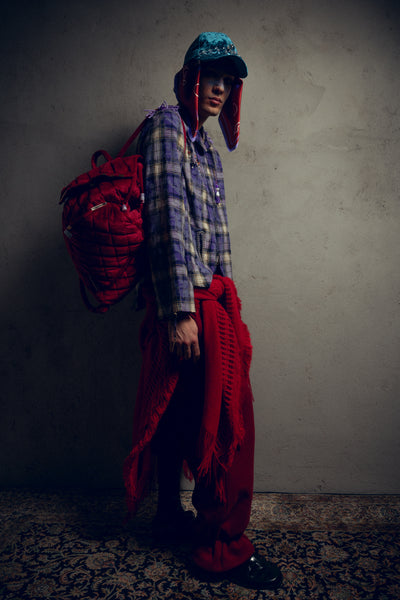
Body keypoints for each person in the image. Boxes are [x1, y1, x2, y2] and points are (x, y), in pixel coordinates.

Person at [123, 32, 282, 590]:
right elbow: (166, 221)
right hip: (189, 300)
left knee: (180, 409)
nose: (221, 88)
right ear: (190, 77)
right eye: (212, 75)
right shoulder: (167, 126)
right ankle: (223, 549)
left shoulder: (205, 146)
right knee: (228, 420)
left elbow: (212, 237)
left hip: (210, 296)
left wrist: (219, 302)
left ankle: (170, 517)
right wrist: (179, 311)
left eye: (229, 81)